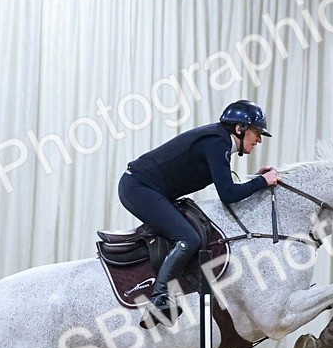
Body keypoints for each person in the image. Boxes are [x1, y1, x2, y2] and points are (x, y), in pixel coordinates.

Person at [120, 99, 280, 327]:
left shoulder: (219, 141)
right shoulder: (217, 143)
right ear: (239, 128)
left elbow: (227, 186)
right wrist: (263, 182)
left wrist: (258, 179)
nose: (259, 140)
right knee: (188, 237)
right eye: (257, 132)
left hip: (144, 187)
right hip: (137, 188)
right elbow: (228, 194)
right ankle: (159, 300)